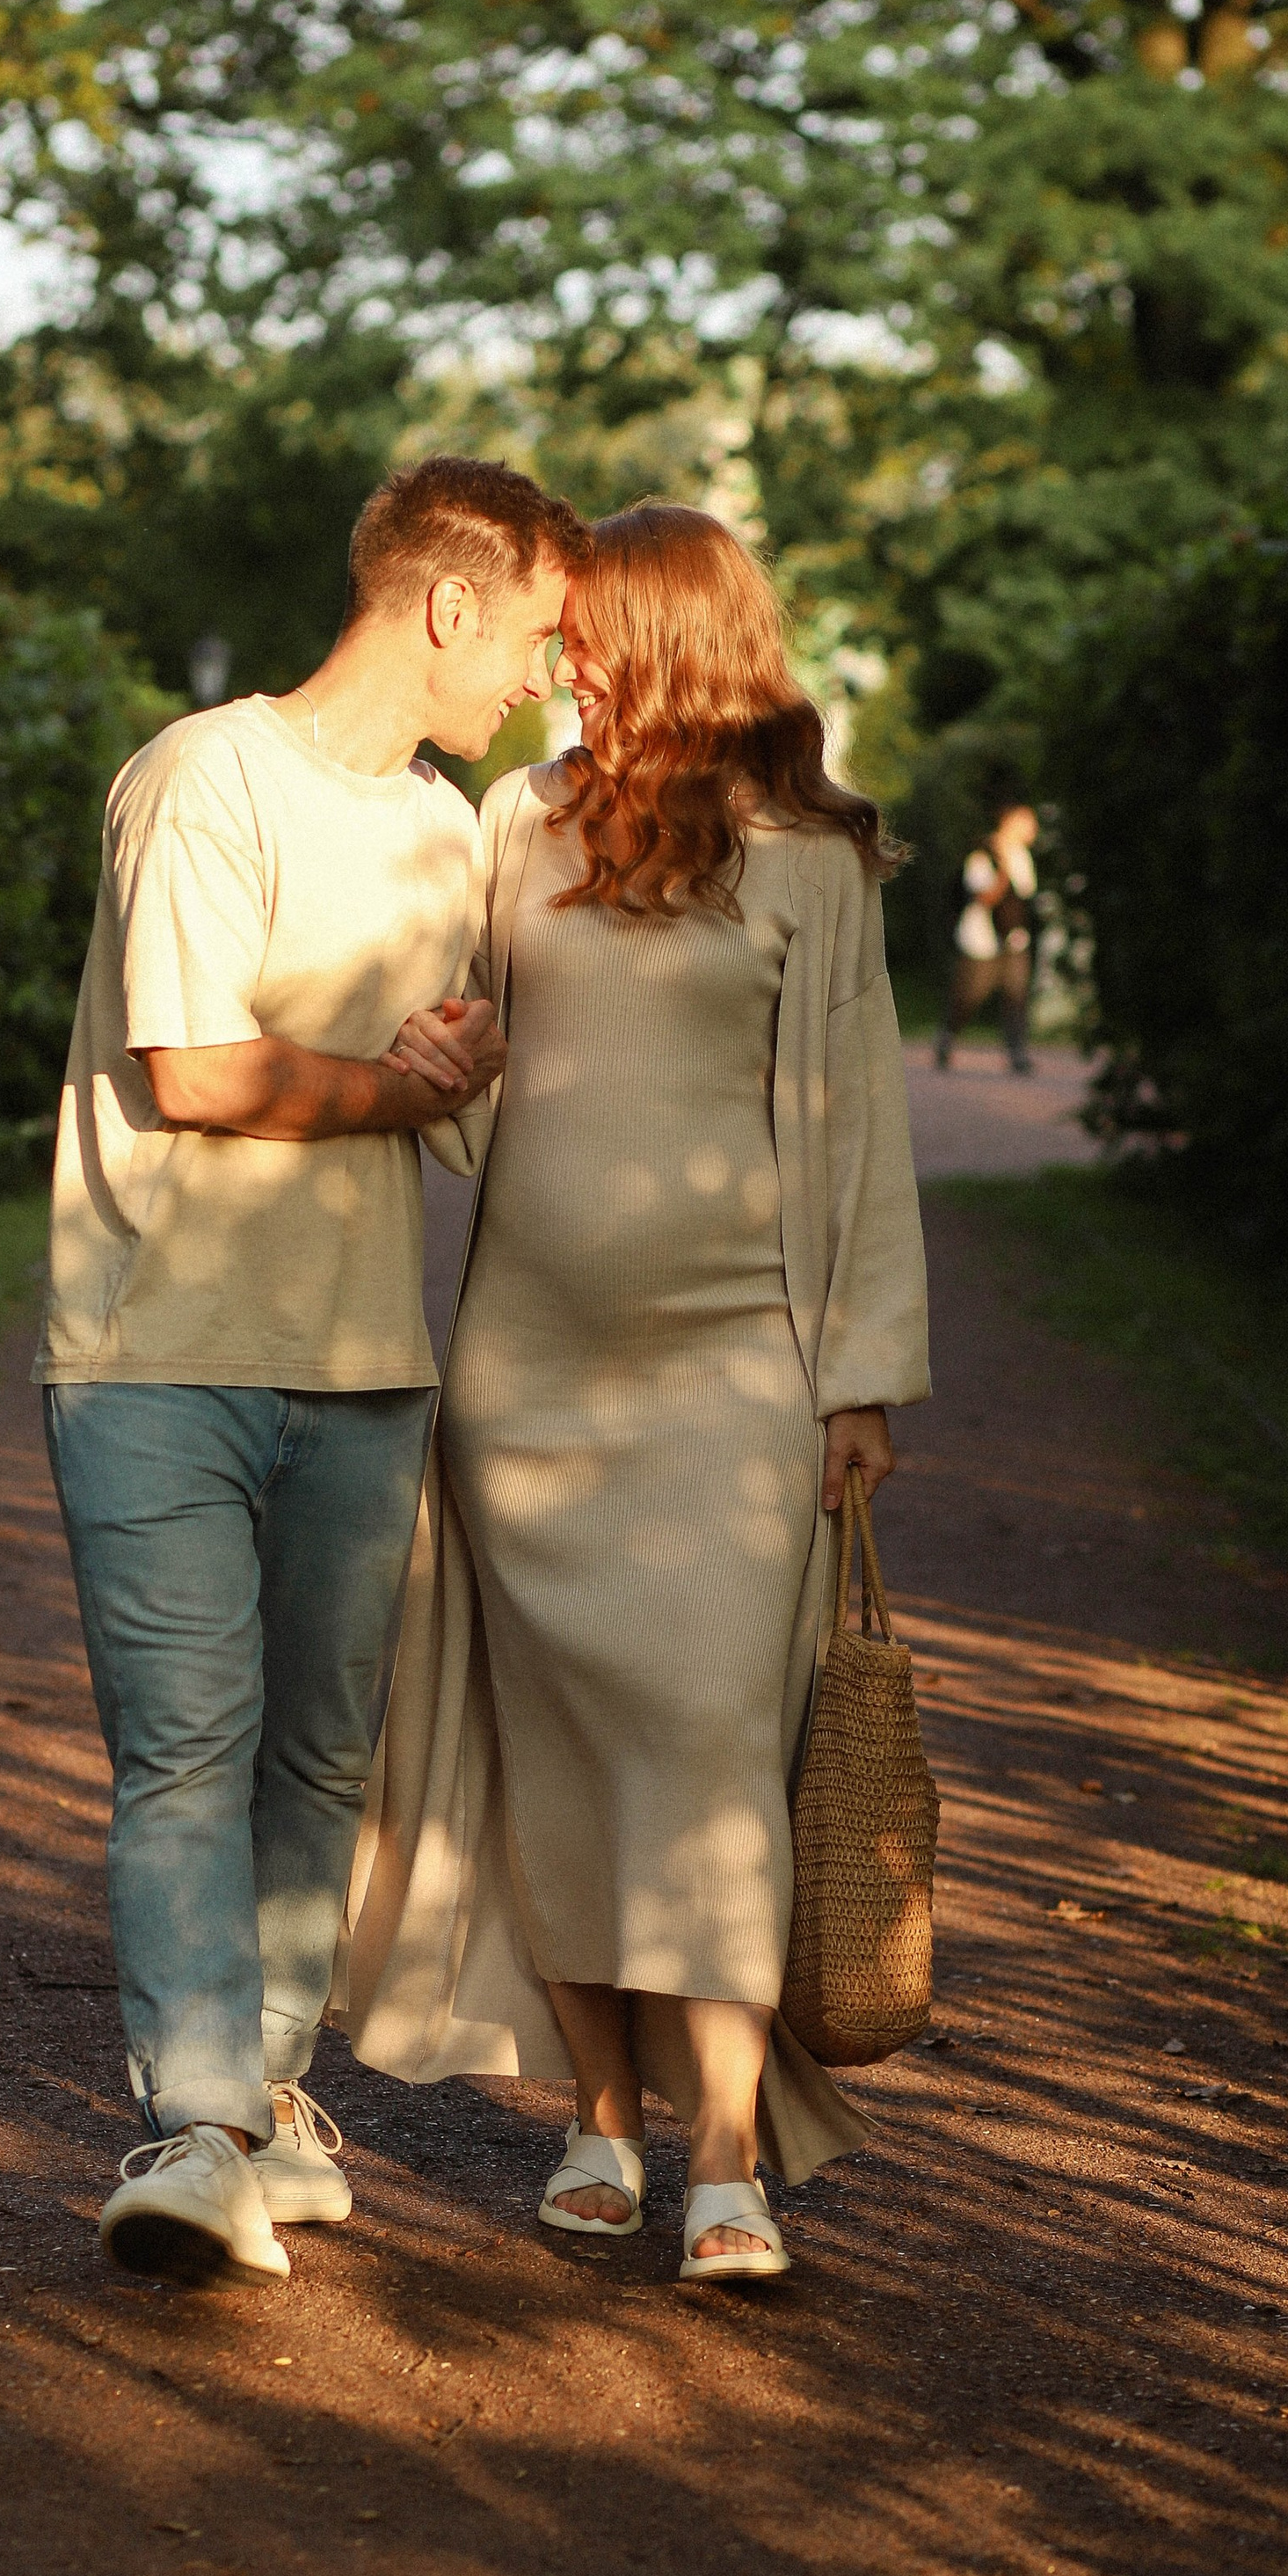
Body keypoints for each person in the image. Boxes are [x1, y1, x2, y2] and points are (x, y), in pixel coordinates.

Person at [336, 501, 930, 2282]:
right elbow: (462, 1086)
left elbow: (859, 1132)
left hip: (730, 1391)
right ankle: (600, 2118)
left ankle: (728, 2158)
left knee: (708, 1761)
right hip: (525, 1387)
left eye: (586, 631)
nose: (557, 660)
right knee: (565, 1773)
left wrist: (858, 1380)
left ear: (666, 639)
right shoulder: (518, 826)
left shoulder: (808, 861)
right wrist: (425, 1065)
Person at [38, 455, 591, 2286]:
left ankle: (262, 2102)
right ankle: (193, 2124)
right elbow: (192, 1068)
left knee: (318, 1760)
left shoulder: (448, 834)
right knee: (183, 1749)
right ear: (444, 604)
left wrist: (468, 1069)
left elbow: (441, 1109)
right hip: (158, 1355)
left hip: (366, 1362)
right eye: (522, 633)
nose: (529, 675)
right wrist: (400, 1085)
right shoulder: (204, 777)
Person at [934, 801, 1038, 1072]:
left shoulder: (1023, 855)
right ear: (1010, 822)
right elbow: (985, 896)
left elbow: (1024, 898)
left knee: (1016, 996)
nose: (1033, 828)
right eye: (1027, 821)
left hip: (1014, 939)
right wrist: (1003, 870)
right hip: (982, 941)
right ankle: (947, 1038)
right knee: (969, 996)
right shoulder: (982, 855)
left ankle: (1017, 1053)